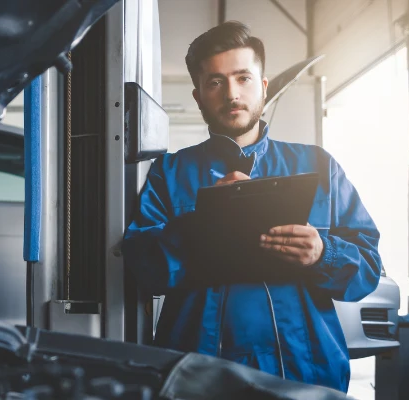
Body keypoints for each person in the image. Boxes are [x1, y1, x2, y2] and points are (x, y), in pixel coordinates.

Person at [122, 21, 382, 392]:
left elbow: (367, 270)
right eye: (215, 82)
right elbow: (144, 268)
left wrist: (323, 253)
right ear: (198, 96)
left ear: (262, 86)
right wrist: (205, 222)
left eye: (243, 78)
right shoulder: (170, 172)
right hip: (201, 380)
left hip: (305, 375)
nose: (232, 93)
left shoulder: (319, 166)